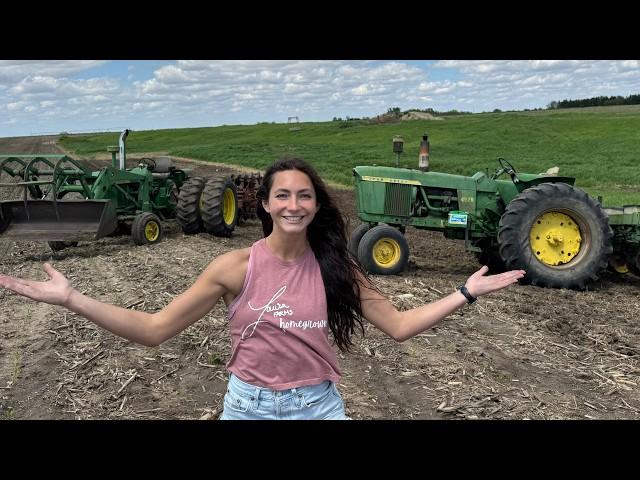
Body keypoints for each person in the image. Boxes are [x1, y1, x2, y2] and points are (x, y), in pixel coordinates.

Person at [0, 158, 525, 420]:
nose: (294, 204)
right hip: (247, 407)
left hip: (317, 406)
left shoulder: (337, 268)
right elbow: (154, 329)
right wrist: (71, 298)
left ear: (315, 205)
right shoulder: (232, 266)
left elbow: (401, 327)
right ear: (267, 205)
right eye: (283, 196)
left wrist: (467, 290)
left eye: (304, 196)